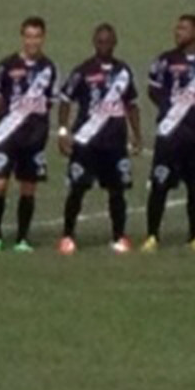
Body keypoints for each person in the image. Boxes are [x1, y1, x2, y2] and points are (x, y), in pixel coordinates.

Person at [55, 23, 139, 254]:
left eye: (108, 41)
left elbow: (131, 105)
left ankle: (119, 236)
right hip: (86, 142)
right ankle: (68, 236)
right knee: (78, 189)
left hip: (115, 142)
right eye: (100, 41)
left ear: (115, 43)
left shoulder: (123, 71)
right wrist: (63, 132)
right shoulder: (83, 70)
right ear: (94, 43)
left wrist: (137, 135)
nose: (104, 45)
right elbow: (65, 100)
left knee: (117, 191)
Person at [144, 13, 195, 252]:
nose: (178, 32)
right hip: (169, 133)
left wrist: (190, 109)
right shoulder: (164, 60)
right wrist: (171, 107)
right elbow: (153, 89)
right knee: (159, 184)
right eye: (177, 28)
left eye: (184, 29)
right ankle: (152, 235)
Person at [0, 16, 55, 254]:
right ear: (22, 37)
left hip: (34, 137)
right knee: (0, 183)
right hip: (7, 135)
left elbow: (50, 101)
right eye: (28, 36)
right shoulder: (6, 65)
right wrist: (8, 118)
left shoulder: (48, 68)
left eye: (37, 37)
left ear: (43, 38)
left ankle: (22, 238)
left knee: (28, 188)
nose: (32, 42)